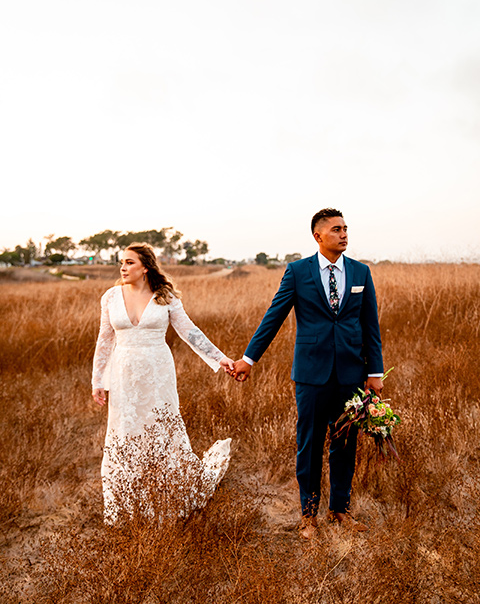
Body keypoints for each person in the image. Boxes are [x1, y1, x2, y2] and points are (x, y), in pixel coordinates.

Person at [232, 208, 384, 538]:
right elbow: (274, 316)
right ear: (318, 236)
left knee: (345, 443)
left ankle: (340, 510)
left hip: (351, 374)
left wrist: (376, 372)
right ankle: (308, 515)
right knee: (310, 444)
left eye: (345, 229)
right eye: (336, 230)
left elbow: (370, 325)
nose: (344, 234)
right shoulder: (298, 272)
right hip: (311, 374)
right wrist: (248, 359)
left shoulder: (361, 272)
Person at [92, 243, 234, 523]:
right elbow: (105, 340)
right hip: (123, 374)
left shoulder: (164, 297)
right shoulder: (110, 297)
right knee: (125, 429)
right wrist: (98, 380)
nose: (123, 267)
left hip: (158, 372)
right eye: (121, 262)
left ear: (145, 267)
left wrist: (220, 359)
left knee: (160, 428)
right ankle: (126, 503)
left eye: (130, 263)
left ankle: (167, 496)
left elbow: (189, 331)